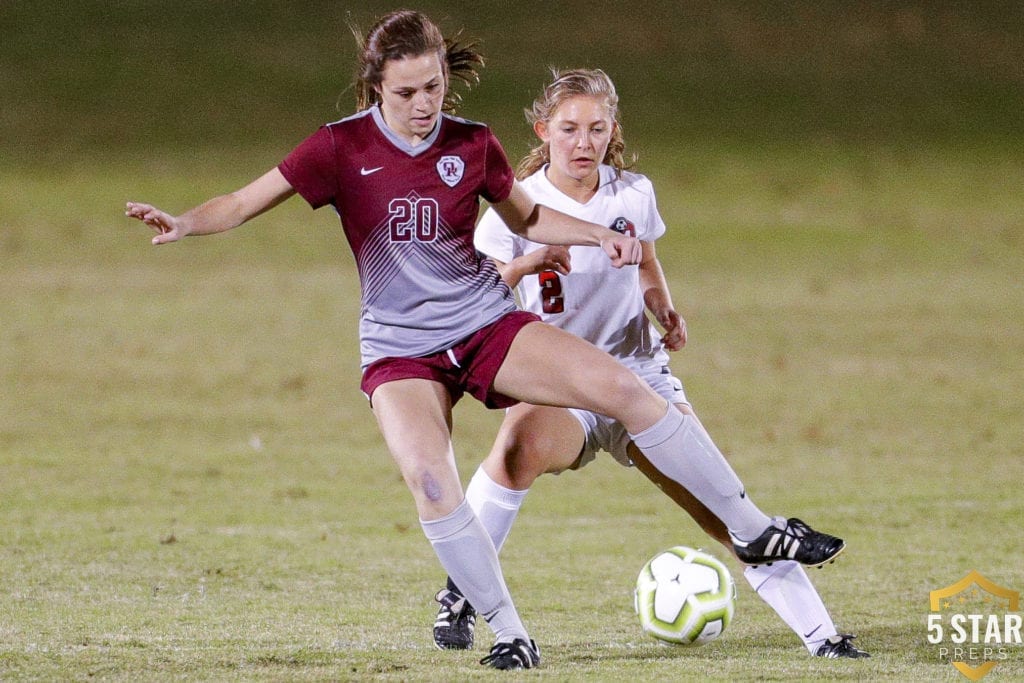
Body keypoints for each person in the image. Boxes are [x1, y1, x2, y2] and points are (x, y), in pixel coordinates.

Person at [125, 11, 845, 671]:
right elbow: (247, 200)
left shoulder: (473, 145)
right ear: (377, 86)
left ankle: (756, 530)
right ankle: (509, 630)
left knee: (626, 388)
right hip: (401, 348)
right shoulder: (339, 146)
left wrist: (600, 235)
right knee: (432, 479)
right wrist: (187, 222)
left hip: (483, 324)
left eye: (433, 86)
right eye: (406, 91)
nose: (423, 103)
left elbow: (528, 216)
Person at [430, 68, 869, 660]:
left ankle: (824, 639)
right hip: (564, 386)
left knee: (721, 513)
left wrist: (663, 305)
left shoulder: (632, 192)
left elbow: (646, 261)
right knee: (514, 454)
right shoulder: (516, 208)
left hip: (641, 377)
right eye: (569, 129)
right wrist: (525, 265)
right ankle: (462, 592)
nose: (583, 143)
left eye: (596, 129)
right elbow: (477, 292)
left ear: (612, 131)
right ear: (543, 130)